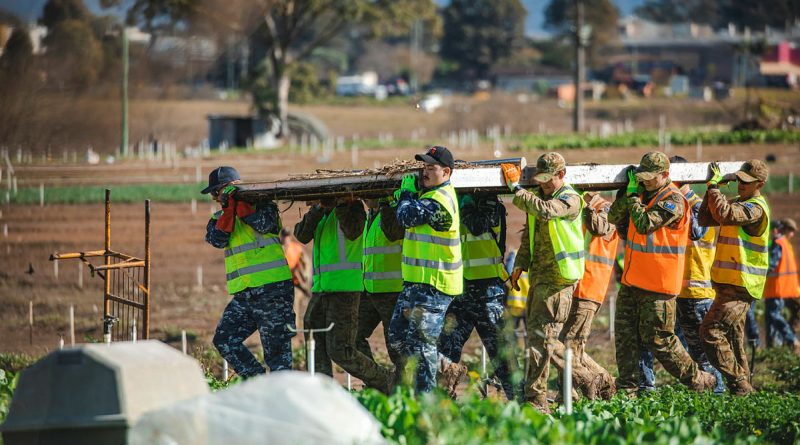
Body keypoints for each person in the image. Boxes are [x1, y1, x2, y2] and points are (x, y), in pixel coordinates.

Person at [608, 152, 716, 396]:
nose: (644, 181)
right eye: (641, 177)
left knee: (661, 340)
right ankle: (628, 389)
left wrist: (634, 198)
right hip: (632, 281)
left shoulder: (674, 201)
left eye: (649, 177)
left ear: (665, 175)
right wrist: (627, 195)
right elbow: (612, 216)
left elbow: (645, 224)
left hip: (659, 285)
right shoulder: (642, 194)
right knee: (625, 338)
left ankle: (699, 380)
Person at [502, 152, 585, 413]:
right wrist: (520, 266)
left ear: (562, 175)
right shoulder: (541, 198)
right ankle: (590, 378)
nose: (544, 184)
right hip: (540, 279)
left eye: (550, 179)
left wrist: (516, 189)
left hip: (559, 280)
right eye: (541, 180)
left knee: (541, 341)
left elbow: (548, 212)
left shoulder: (570, 199)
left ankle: (537, 401)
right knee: (540, 340)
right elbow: (531, 239)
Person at [203, 166, 295, 378]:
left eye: (218, 192)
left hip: (273, 290)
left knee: (277, 355)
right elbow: (217, 239)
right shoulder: (219, 217)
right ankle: (258, 383)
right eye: (215, 194)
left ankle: (283, 400)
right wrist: (229, 209)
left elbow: (264, 225)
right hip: (245, 294)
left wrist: (240, 203)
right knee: (224, 340)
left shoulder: (264, 206)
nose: (217, 198)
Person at [294, 196, 393, 393]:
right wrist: (318, 208)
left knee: (342, 350)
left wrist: (340, 203)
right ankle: (322, 391)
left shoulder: (354, 208)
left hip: (346, 289)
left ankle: (386, 383)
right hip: (322, 288)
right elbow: (302, 235)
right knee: (313, 336)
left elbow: (353, 231)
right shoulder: (322, 213)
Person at [388, 145, 462, 393]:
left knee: (420, 346)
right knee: (397, 339)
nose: (424, 173)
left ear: (447, 172)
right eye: (423, 167)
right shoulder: (427, 197)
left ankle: (427, 401)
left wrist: (406, 196)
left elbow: (406, 217)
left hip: (435, 285)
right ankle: (445, 365)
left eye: (431, 168)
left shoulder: (441, 201)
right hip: (415, 284)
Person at [698, 159, 771, 395]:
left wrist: (714, 188)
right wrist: (711, 192)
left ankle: (740, 384)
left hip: (741, 284)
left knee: (710, 332)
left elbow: (726, 214)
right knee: (734, 338)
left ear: (760, 184)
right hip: (729, 283)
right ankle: (743, 391)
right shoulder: (740, 203)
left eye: (746, 182)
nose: (741, 184)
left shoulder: (755, 208)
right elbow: (706, 219)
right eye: (739, 179)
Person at [437, 193, 516, 400]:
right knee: (446, 350)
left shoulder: (490, 205)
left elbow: (476, 225)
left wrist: (464, 202)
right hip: (461, 290)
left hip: (488, 290)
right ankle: (442, 403)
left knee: (501, 354)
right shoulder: (457, 206)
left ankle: (522, 402)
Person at [670, 156, 725, 393]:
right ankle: (713, 395)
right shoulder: (691, 204)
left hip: (697, 291)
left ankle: (717, 395)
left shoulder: (695, 206)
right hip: (688, 291)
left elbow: (695, 233)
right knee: (698, 353)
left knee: (703, 355)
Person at [557, 192, 618, 400]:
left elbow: (598, 229)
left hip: (589, 286)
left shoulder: (604, 209)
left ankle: (571, 393)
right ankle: (601, 381)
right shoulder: (582, 206)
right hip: (577, 284)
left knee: (569, 344)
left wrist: (588, 205)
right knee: (569, 344)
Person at [355, 197, 405, 379]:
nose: (365, 200)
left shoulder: (391, 212)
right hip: (369, 291)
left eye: (369, 195)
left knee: (396, 347)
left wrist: (386, 206)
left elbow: (393, 234)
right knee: (352, 338)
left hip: (392, 291)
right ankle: (381, 382)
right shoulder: (370, 217)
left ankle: (404, 390)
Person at [764, 218, 800, 351]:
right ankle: (771, 348)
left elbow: (771, 265)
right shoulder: (784, 243)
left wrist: (758, 273)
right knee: (770, 317)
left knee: (774, 315)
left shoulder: (777, 244)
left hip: (776, 288)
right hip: (777, 288)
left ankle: (791, 339)